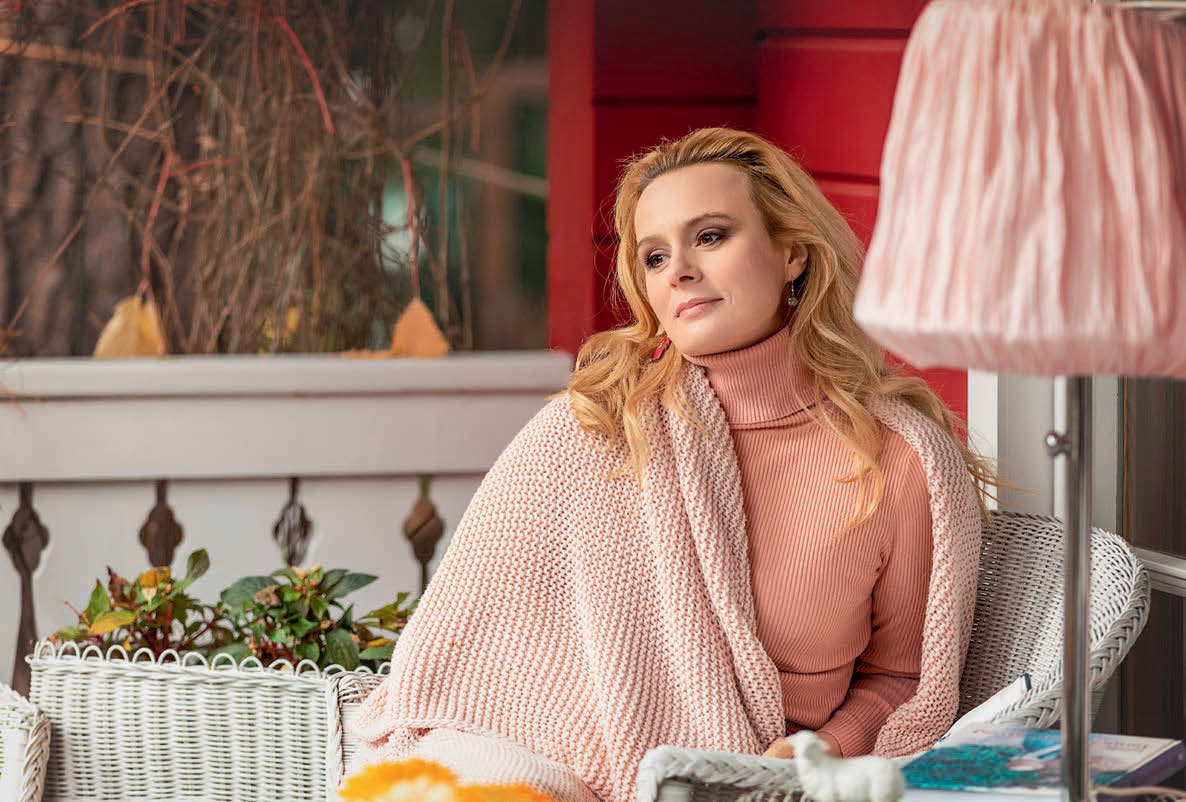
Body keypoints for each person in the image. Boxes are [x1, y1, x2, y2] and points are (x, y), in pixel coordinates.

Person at [352, 127, 995, 802]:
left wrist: (821, 748)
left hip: (751, 785)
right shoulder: (593, 427)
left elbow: (905, 681)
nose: (678, 270)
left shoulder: (899, 460)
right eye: (654, 256)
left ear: (793, 253)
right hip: (535, 771)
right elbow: (468, 659)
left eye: (710, 236)